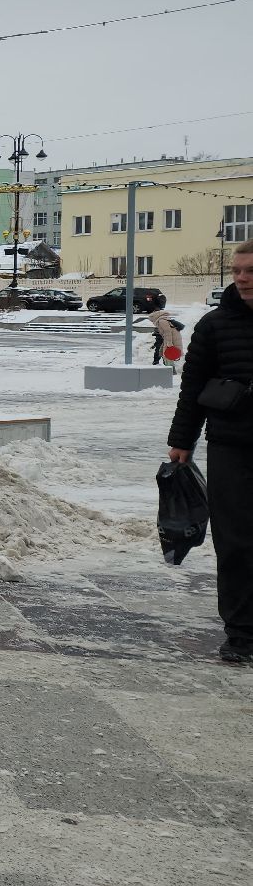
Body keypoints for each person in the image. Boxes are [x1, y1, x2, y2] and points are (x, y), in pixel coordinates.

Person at [168, 238, 253, 664]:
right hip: (232, 448)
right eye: (238, 270)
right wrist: (182, 440)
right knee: (235, 542)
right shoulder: (215, 326)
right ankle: (240, 633)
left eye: (250, 271)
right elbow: (193, 388)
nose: (241, 278)